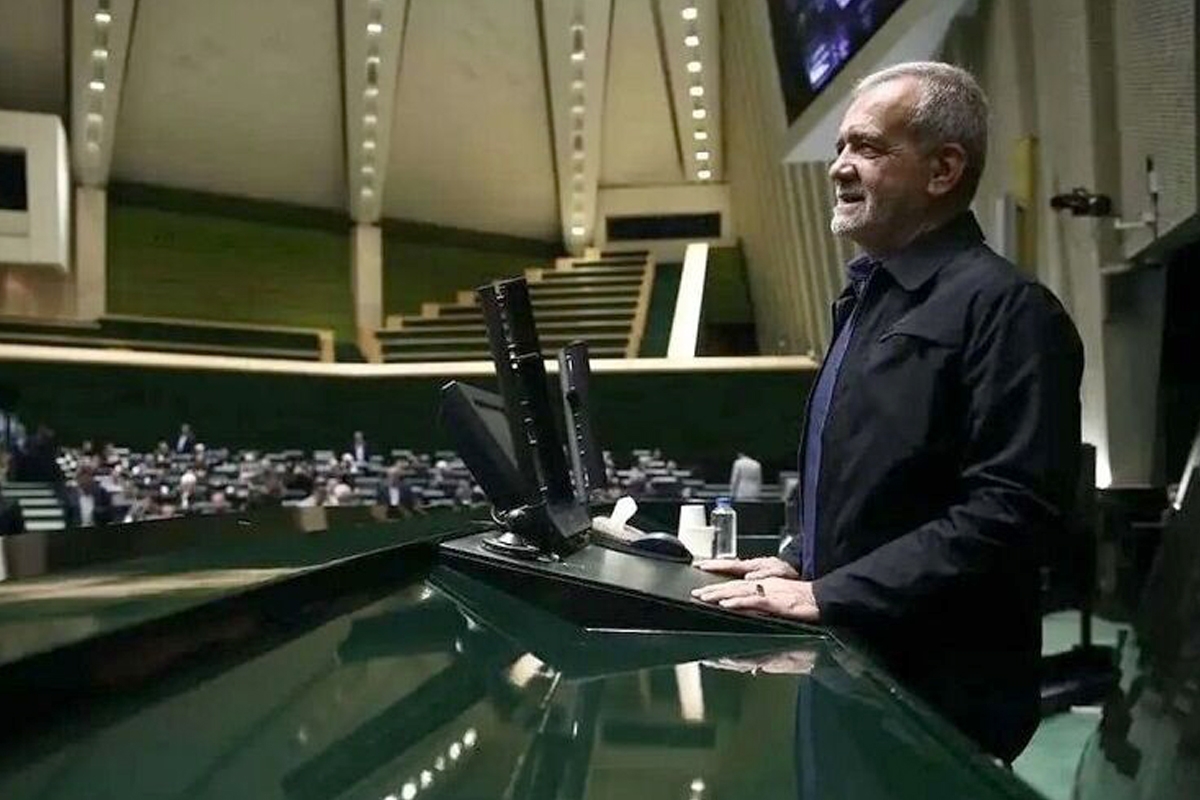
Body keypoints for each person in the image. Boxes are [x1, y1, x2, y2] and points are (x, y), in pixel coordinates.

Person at [692, 62, 1083, 763]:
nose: (839, 167)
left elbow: (1012, 510)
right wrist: (799, 562)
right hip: (849, 668)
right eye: (841, 146)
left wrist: (833, 592)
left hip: (934, 702)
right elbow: (876, 481)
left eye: (868, 148)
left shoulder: (1009, 310)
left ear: (943, 170)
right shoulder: (867, 299)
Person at [64, 462, 115, 528]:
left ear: (92, 479)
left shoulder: (102, 493)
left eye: (88, 477)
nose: (85, 481)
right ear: (78, 480)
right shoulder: (71, 497)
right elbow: (69, 520)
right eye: (82, 478)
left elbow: (110, 515)